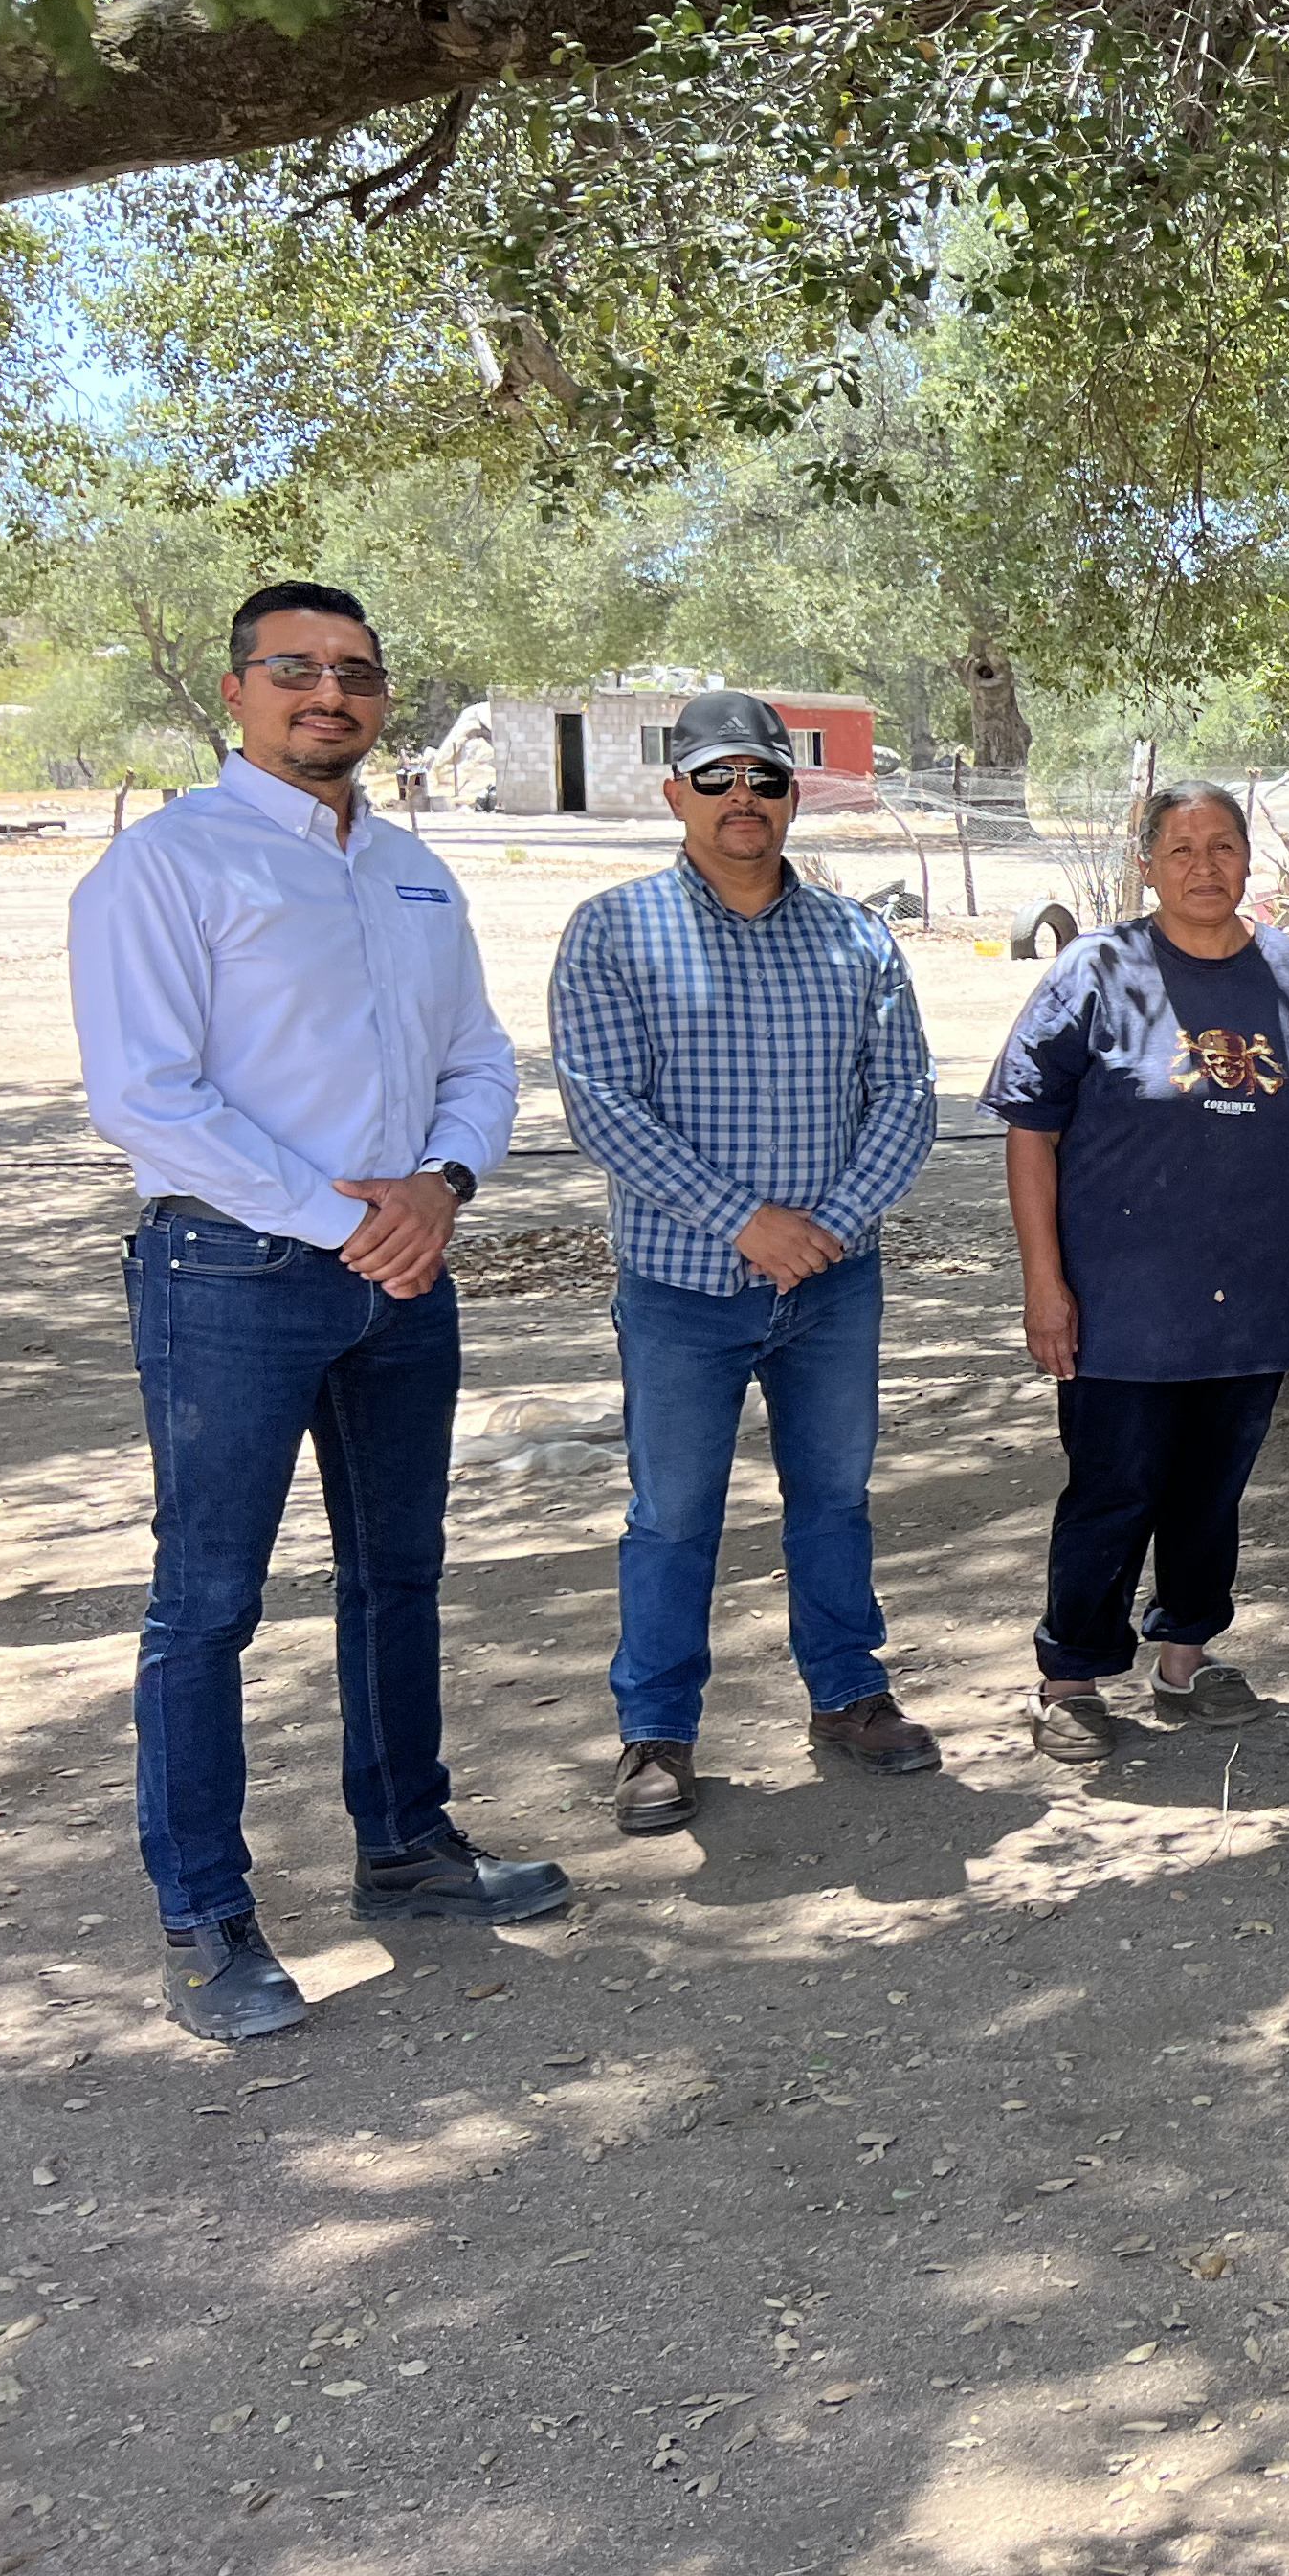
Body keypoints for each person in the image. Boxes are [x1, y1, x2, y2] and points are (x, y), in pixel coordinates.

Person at [69, 581, 569, 2042]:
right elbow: (145, 1095)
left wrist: (441, 1187)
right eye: (294, 669)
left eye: (354, 670)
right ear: (237, 692)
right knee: (208, 1605)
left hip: (406, 1279)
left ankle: (407, 1847)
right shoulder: (168, 868)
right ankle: (205, 1915)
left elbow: (478, 1055)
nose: (327, 694)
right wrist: (350, 1216)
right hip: (231, 1279)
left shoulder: (414, 872)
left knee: (397, 1577)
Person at [548, 691, 940, 1836]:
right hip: (680, 1285)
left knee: (833, 1500)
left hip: (834, 1284)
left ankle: (848, 1696)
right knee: (672, 1515)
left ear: (791, 795)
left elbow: (907, 1099)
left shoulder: (859, 936)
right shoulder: (613, 930)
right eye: (716, 779)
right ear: (675, 794)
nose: (743, 801)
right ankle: (656, 1734)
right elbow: (603, 1104)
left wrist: (825, 1227)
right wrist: (743, 1220)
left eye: (765, 779)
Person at [986, 782, 1289, 1762]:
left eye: (1224, 846)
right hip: (1124, 1295)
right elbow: (1031, 1131)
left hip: (1255, 1288)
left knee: (1212, 1485)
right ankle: (1072, 1674)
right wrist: (1045, 1283)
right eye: (1181, 848)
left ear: (1251, 860)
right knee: (1114, 1485)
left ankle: (1187, 1654)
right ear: (1147, 865)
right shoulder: (1094, 972)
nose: (1205, 866)